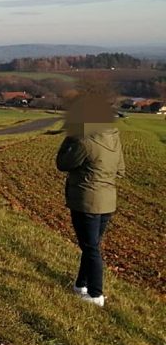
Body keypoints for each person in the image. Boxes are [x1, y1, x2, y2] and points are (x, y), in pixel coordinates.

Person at [55, 94, 125, 308]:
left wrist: (70, 137)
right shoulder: (113, 138)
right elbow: (120, 170)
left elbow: (62, 163)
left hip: (86, 201)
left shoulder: (84, 141)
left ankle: (96, 294)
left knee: (91, 248)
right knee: (91, 246)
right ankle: (80, 285)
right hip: (107, 201)